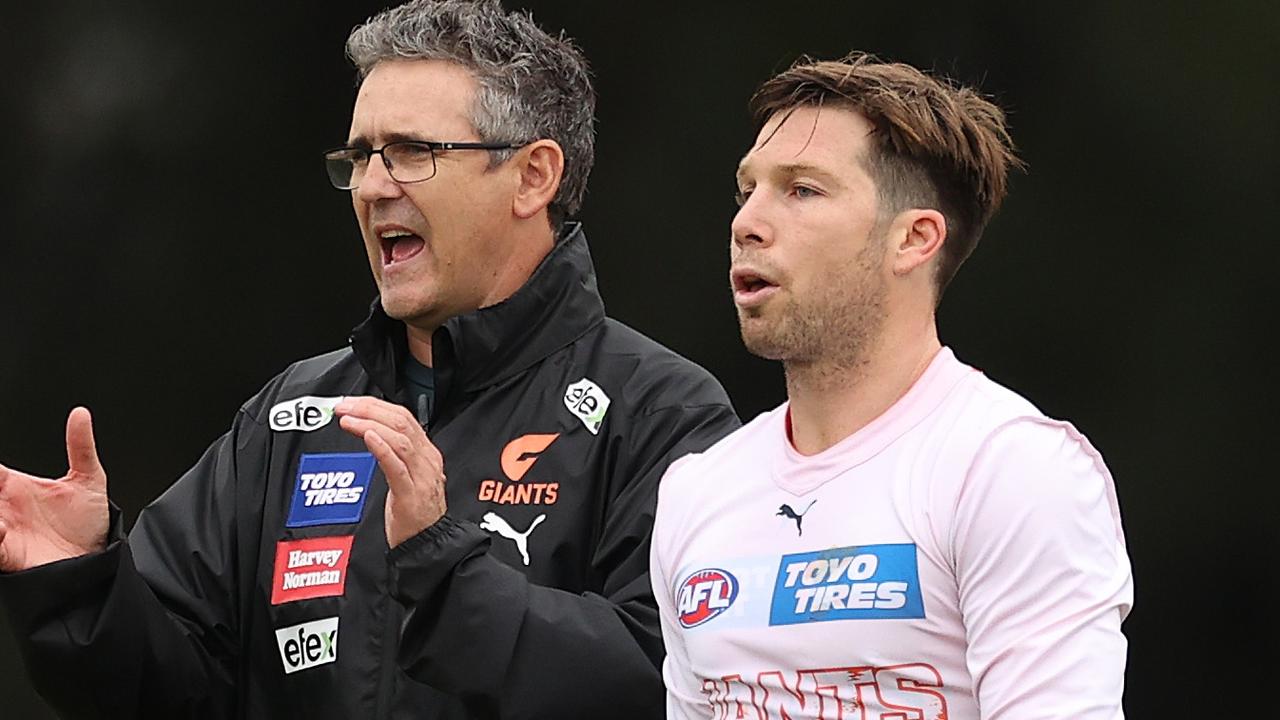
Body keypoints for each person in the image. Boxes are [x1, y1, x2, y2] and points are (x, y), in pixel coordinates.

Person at [0, 1, 740, 718]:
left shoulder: (660, 414)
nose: (375, 186)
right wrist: (78, 583)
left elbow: (670, 684)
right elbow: (174, 690)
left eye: (414, 152)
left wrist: (441, 569)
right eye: (360, 157)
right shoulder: (294, 417)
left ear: (533, 176)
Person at [651, 53, 1132, 719]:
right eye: (747, 190)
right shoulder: (696, 490)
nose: (747, 223)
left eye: (802, 191)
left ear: (913, 240)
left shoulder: (1011, 470)